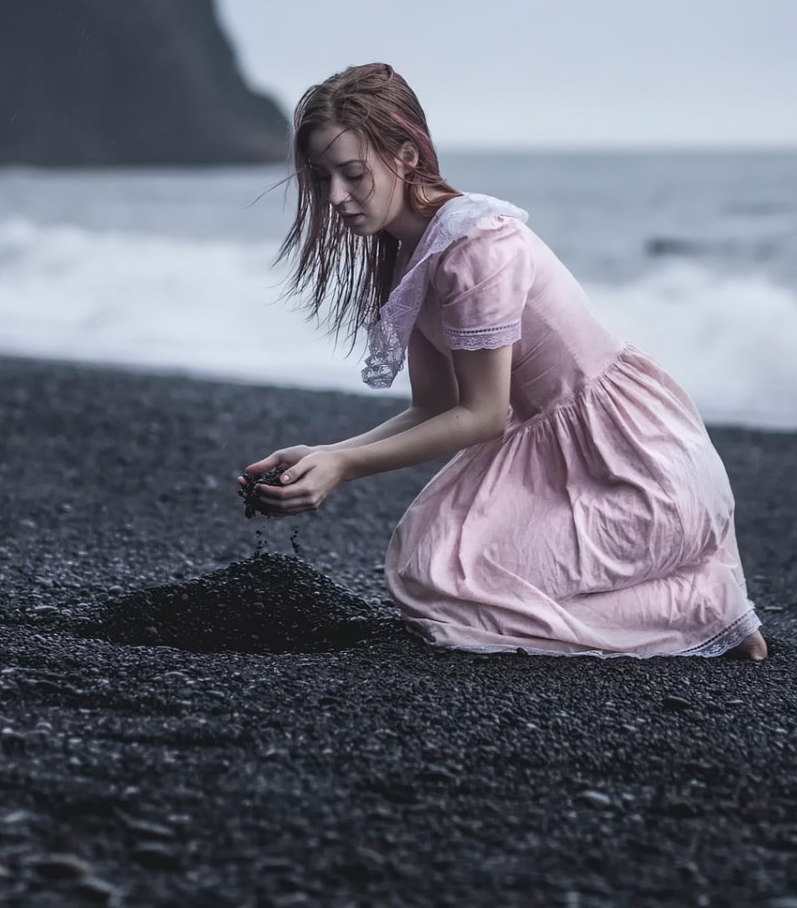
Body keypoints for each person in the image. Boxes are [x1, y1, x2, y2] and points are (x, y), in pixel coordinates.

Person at [243, 63, 765, 660]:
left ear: (406, 156)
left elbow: (485, 414)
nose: (335, 197)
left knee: (442, 585)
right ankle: (688, 599)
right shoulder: (407, 253)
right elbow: (438, 406)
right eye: (323, 177)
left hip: (636, 468)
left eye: (353, 174)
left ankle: (702, 604)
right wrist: (328, 454)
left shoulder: (475, 247)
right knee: (428, 568)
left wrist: (347, 469)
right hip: (563, 457)